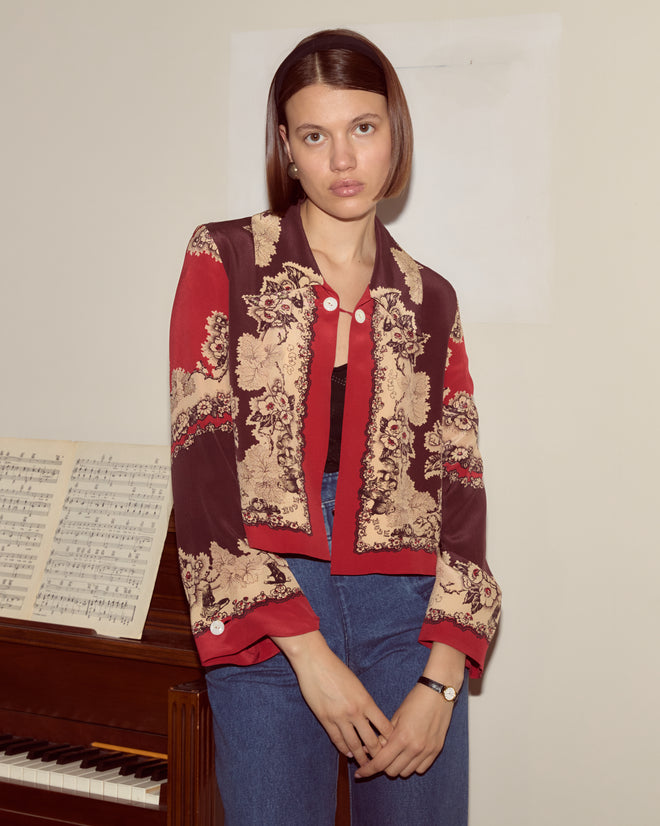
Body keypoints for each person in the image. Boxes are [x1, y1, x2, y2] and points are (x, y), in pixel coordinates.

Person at [169, 28, 500, 826]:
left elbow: (460, 484)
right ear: (287, 145)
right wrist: (307, 654)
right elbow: (202, 459)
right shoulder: (224, 258)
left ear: (395, 133)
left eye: (363, 128)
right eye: (315, 136)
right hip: (269, 614)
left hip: (407, 623)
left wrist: (441, 678)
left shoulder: (433, 299)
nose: (343, 161)